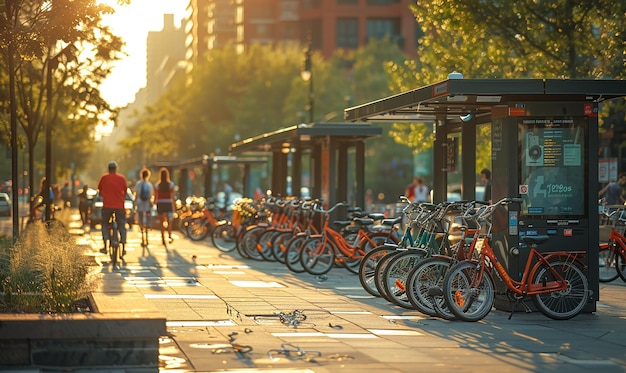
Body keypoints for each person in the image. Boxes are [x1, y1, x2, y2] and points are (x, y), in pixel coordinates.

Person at [98, 161, 128, 256]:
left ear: (108, 169)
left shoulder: (104, 178)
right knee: (122, 225)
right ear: (116, 168)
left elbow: (100, 191)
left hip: (107, 206)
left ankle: (105, 245)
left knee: (104, 224)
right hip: (119, 206)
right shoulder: (122, 178)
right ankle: (123, 246)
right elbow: (125, 191)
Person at [155, 167, 176, 246]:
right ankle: (169, 235)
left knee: (161, 222)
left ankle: (163, 239)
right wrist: (174, 205)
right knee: (169, 220)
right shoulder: (171, 185)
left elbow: (155, 196)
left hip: (160, 203)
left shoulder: (157, 185)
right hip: (168, 203)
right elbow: (172, 196)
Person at [135, 167, 154, 247]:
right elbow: (150, 195)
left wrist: (135, 203)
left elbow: (137, 194)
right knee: (148, 219)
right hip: (147, 204)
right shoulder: (149, 185)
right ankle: (147, 237)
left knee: (141, 220)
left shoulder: (138, 184)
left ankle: (142, 237)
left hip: (140, 204)